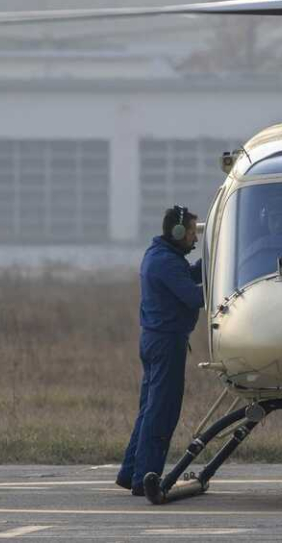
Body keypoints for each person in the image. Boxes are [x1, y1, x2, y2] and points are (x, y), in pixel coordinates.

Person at [117, 205, 205, 496]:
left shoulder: (163, 256)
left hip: (157, 340)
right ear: (178, 232)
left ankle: (132, 472)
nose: (194, 239)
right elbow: (193, 297)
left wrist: (213, 262)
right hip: (166, 342)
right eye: (192, 233)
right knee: (162, 411)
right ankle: (146, 477)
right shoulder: (166, 263)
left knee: (148, 409)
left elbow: (187, 276)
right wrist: (228, 283)